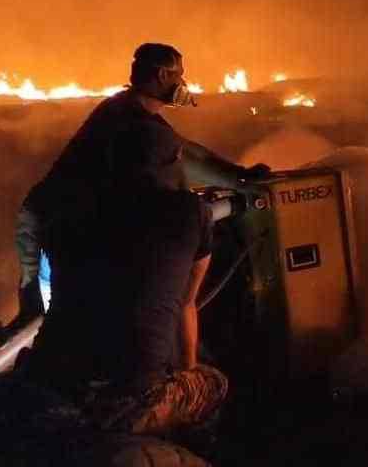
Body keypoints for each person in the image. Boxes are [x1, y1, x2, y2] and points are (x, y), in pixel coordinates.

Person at [0, 43, 269, 344]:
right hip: (49, 227)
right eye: (177, 75)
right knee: (41, 325)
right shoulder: (136, 126)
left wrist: (237, 174)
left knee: (43, 320)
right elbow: (179, 179)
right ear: (160, 75)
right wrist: (239, 186)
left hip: (46, 220)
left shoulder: (124, 109)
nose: (181, 82)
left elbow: (185, 151)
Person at [18, 119, 227, 435]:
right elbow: (187, 303)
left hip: (54, 375)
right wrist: (187, 370)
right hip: (127, 396)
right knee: (214, 384)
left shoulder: (67, 213)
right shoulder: (190, 212)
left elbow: (54, 290)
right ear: (169, 163)